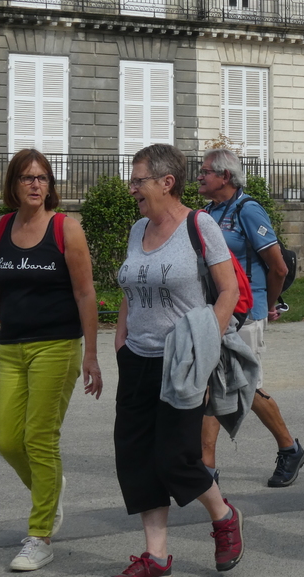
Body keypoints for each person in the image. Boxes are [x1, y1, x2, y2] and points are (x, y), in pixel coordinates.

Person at [0, 148, 102, 572]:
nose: (36, 184)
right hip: (11, 347)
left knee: (39, 437)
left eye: (42, 177)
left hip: (57, 346)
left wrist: (91, 354)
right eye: (27, 178)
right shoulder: (0, 227)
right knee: (7, 439)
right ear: (14, 185)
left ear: (50, 185)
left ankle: (40, 535)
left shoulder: (65, 229)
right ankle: (50, 490)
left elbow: (85, 294)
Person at [112, 144, 245, 577]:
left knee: (176, 458)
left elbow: (228, 291)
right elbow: (132, 288)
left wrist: (206, 345)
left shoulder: (199, 225)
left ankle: (224, 516)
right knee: (136, 458)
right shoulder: (138, 229)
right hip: (136, 358)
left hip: (182, 361)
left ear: (166, 182)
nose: (132, 188)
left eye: (138, 181)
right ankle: (156, 556)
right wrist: (120, 340)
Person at [197, 148, 304, 488]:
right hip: (216, 311)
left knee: (245, 386)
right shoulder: (207, 212)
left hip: (246, 311)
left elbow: (279, 267)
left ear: (225, 176)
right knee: (213, 384)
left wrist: (268, 306)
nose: (199, 176)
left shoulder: (248, 210)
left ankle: (289, 448)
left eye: (205, 171)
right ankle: (206, 466)